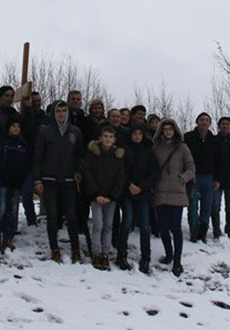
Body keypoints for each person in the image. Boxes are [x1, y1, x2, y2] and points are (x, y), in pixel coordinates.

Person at [33, 100, 85, 264]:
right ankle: (54, 249)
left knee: (72, 216)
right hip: (49, 180)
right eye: (58, 111)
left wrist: (78, 171)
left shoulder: (75, 131)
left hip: (69, 180)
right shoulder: (45, 131)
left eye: (64, 111)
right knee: (53, 216)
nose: (61, 114)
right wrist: (37, 179)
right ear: (53, 114)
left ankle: (75, 249)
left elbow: (80, 155)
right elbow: (38, 156)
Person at [151, 118, 194, 277]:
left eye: (170, 129)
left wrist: (182, 178)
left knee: (176, 228)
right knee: (163, 228)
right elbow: (150, 168)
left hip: (177, 192)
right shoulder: (156, 148)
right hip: (160, 192)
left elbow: (191, 167)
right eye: (165, 129)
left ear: (175, 130)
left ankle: (177, 261)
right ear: (161, 131)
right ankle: (169, 254)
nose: (168, 131)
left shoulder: (182, 148)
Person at [81, 125, 125, 270]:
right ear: (100, 138)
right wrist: (96, 194)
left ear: (114, 140)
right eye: (105, 136)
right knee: (98, 224)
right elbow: (88, 175)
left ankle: (105, 253)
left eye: (110, 137)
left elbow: (120, 178)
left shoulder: (117, 156)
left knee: (108, 225)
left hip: (110, 198)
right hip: (96, 197)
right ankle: (96, 252)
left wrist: (112, 196)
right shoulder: (92, 155)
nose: (107, 139)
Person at [118, 121, 156, 273]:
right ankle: (121, 254)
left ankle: (146, 256)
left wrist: (142, 187)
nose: (137, 136)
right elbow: (120, 170)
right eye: (134, 133)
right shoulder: (124, 150)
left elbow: (154, 173)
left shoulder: (149, 150)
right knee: (126, 223)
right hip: (127, 192)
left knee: (145, 226)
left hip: (143, 193)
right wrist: (129, 185)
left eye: (140, 133)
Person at [0, 120, 31, 249]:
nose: (16, 129)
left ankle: (9, 237)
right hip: (3, 182)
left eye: (18, 126)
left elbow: (26, 164)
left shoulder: (23, 145)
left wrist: (22, 178)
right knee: (1, 209)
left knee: (13, 211)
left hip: (16, 183)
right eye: (13, 126)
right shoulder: (1, 142)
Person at [183, 112, 216, 242]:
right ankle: (194, 231)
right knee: (192, 206)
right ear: (197, 122)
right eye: (202, 119)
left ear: (209, 123)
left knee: (206, 207)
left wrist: (218, 179)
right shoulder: (188, 137)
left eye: (207, 120)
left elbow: (219, 161)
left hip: (209, 178)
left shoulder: (214, 140)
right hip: (193, 177)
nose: (204, 122)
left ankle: (203, 232)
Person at [20, 92, 46, 226]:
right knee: (27, 192)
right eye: (33, 101)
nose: (36, 103)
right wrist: (28, 111)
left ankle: (47, 214)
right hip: (28, 160)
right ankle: (30, 219)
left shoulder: (45, 117)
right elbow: (29, 131)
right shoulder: (23, 117)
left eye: (38, 101)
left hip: (43, 159)